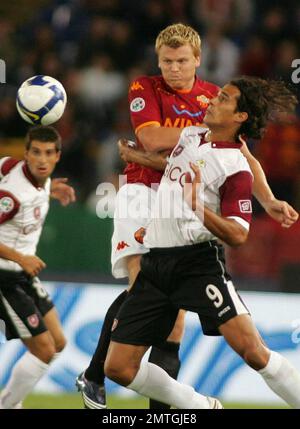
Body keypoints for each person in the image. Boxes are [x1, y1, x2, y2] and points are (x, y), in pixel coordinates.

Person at [76, 23, 298, 409]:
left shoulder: (219, 129)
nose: (173, 69)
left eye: (181, 61)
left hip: (190, 245)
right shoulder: (155, 95)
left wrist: (268, 198)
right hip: (145, 197)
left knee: (234, 344)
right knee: (134, 309)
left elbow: (242, 161)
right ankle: (100, 376)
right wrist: (145, 154)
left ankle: (172, 409)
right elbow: (151, 139)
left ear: (198, 60)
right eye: (166, 61)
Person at [0, 125, 72, 409]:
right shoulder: (12, 196)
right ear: (26, 154)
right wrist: (21, 258)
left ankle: (10, 400)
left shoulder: (14, 167)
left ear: (57, 156)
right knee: (44, 350)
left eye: (48, 153)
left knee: (58, 343)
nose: (42, 160)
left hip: (23, 275)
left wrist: (49, 189)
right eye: (36, 153)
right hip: (4, 276)